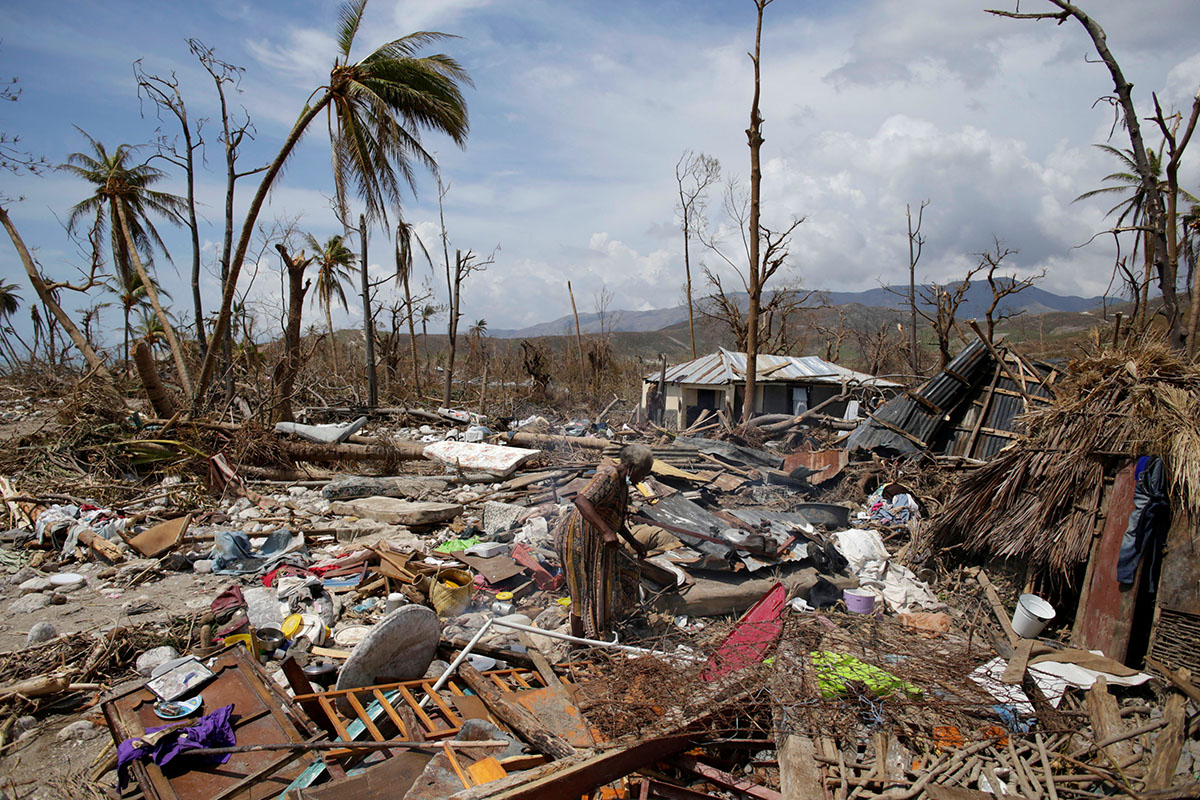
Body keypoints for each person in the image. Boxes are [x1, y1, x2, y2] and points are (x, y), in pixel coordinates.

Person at [555, 443, 653, 638]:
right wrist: (606, 531)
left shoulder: (623, 485)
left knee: (628, 572)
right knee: (583, 593)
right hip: (578, 542)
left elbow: (614, 518)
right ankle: (577, 645)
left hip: (598, 542)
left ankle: (600, 629)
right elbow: (582, 501)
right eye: (642, 473)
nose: (642, 479)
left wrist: (633, 542)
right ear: (632, 467)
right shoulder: (607, 476)